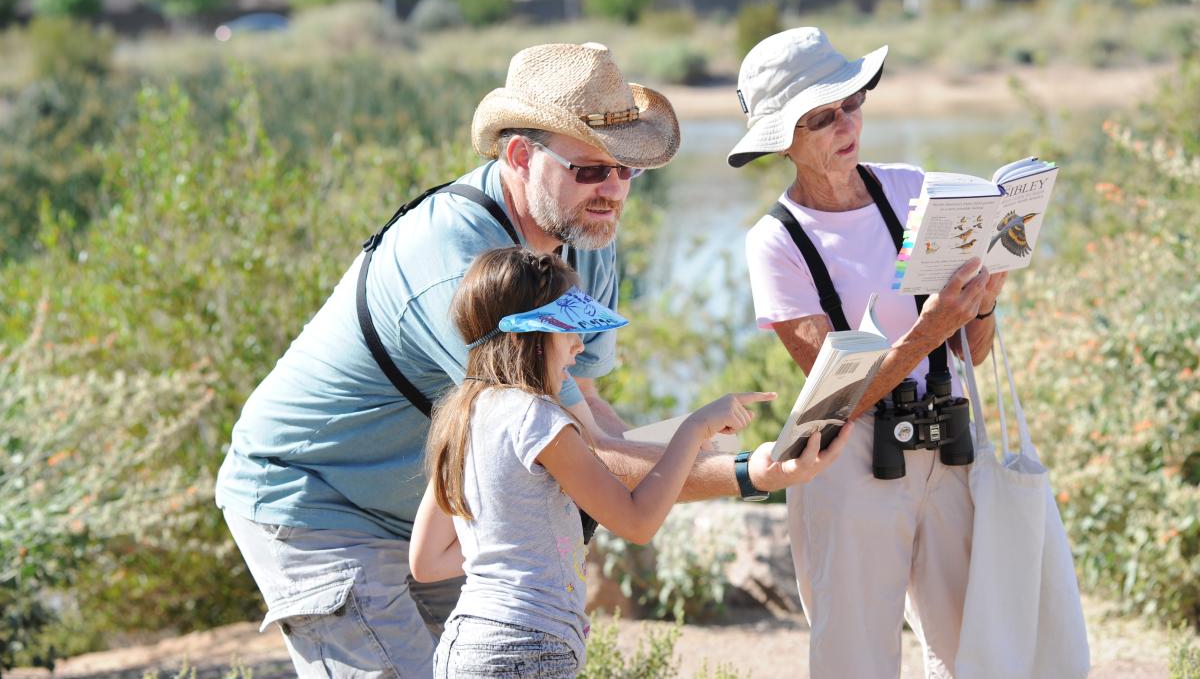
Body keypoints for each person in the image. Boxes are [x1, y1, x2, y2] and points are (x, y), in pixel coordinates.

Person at [215, 41, 848, 678]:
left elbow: (593, 420)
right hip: (318, 502)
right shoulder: (471, 271)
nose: (614, 191)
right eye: (591, 170)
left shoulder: (584, 235)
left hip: (437, 517)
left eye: (627, 171)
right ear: (521, 155)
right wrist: (747, 472)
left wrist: (709, 455)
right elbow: (582, 456)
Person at [729, 27, 1007, 678]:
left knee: (979, 653)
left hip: (951, 444)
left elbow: (974, 353)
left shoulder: (913, 189)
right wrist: (932, 327)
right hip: (847, 463)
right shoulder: (774, 243)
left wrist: (984, 298)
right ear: (783, 139)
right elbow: (837, 396)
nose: (846, 122)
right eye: (822, 116)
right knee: (856, 661)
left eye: (853, 101)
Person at [408, 246, 796, 678]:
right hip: (526, 648)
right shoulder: (536, 417)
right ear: (527, 338)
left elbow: (425, 560)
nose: (578, 346)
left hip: (464, 647)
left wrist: (518, 546)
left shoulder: (461, 414)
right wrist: (695, 428)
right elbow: (636, 520)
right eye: (567, 330)